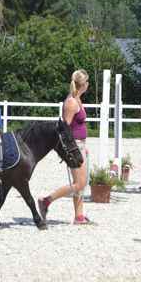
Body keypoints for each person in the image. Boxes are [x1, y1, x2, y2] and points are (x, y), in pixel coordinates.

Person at [37, 69, 92, 225]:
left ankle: (79, 216)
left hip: (80, 144)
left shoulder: (77, 99)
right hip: (74, 146)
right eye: (87, 82)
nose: (88, 84)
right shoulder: (71, 102)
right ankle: (47, 200)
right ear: (83, 84)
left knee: (81, 182)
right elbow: (65, 128)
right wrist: (70, 149)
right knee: (79, 183)